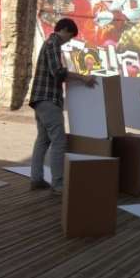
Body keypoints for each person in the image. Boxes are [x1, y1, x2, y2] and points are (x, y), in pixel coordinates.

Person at [29, 18, 97, 194]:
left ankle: (36, 179)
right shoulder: (53, 43)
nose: (69, 41)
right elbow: (58, 72)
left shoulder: (49, 43)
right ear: (65, 30)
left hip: (40, 100)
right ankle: (58, 184)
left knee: (43, 140)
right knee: (59, 142)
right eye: (70, 36)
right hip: (49, 99)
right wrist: (82, 78)